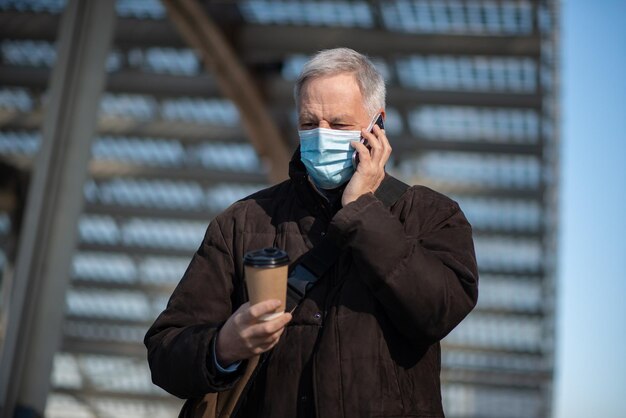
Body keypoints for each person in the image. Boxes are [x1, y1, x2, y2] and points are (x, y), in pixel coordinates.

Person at [145, 47, 478, 418]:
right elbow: (165, 353)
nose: (321, 137)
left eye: (337, 124)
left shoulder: (431, 215)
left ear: (377, 125)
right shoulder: (241, 222)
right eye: (308, 123)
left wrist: (361, 211)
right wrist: (222, 347)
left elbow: (438, 311)